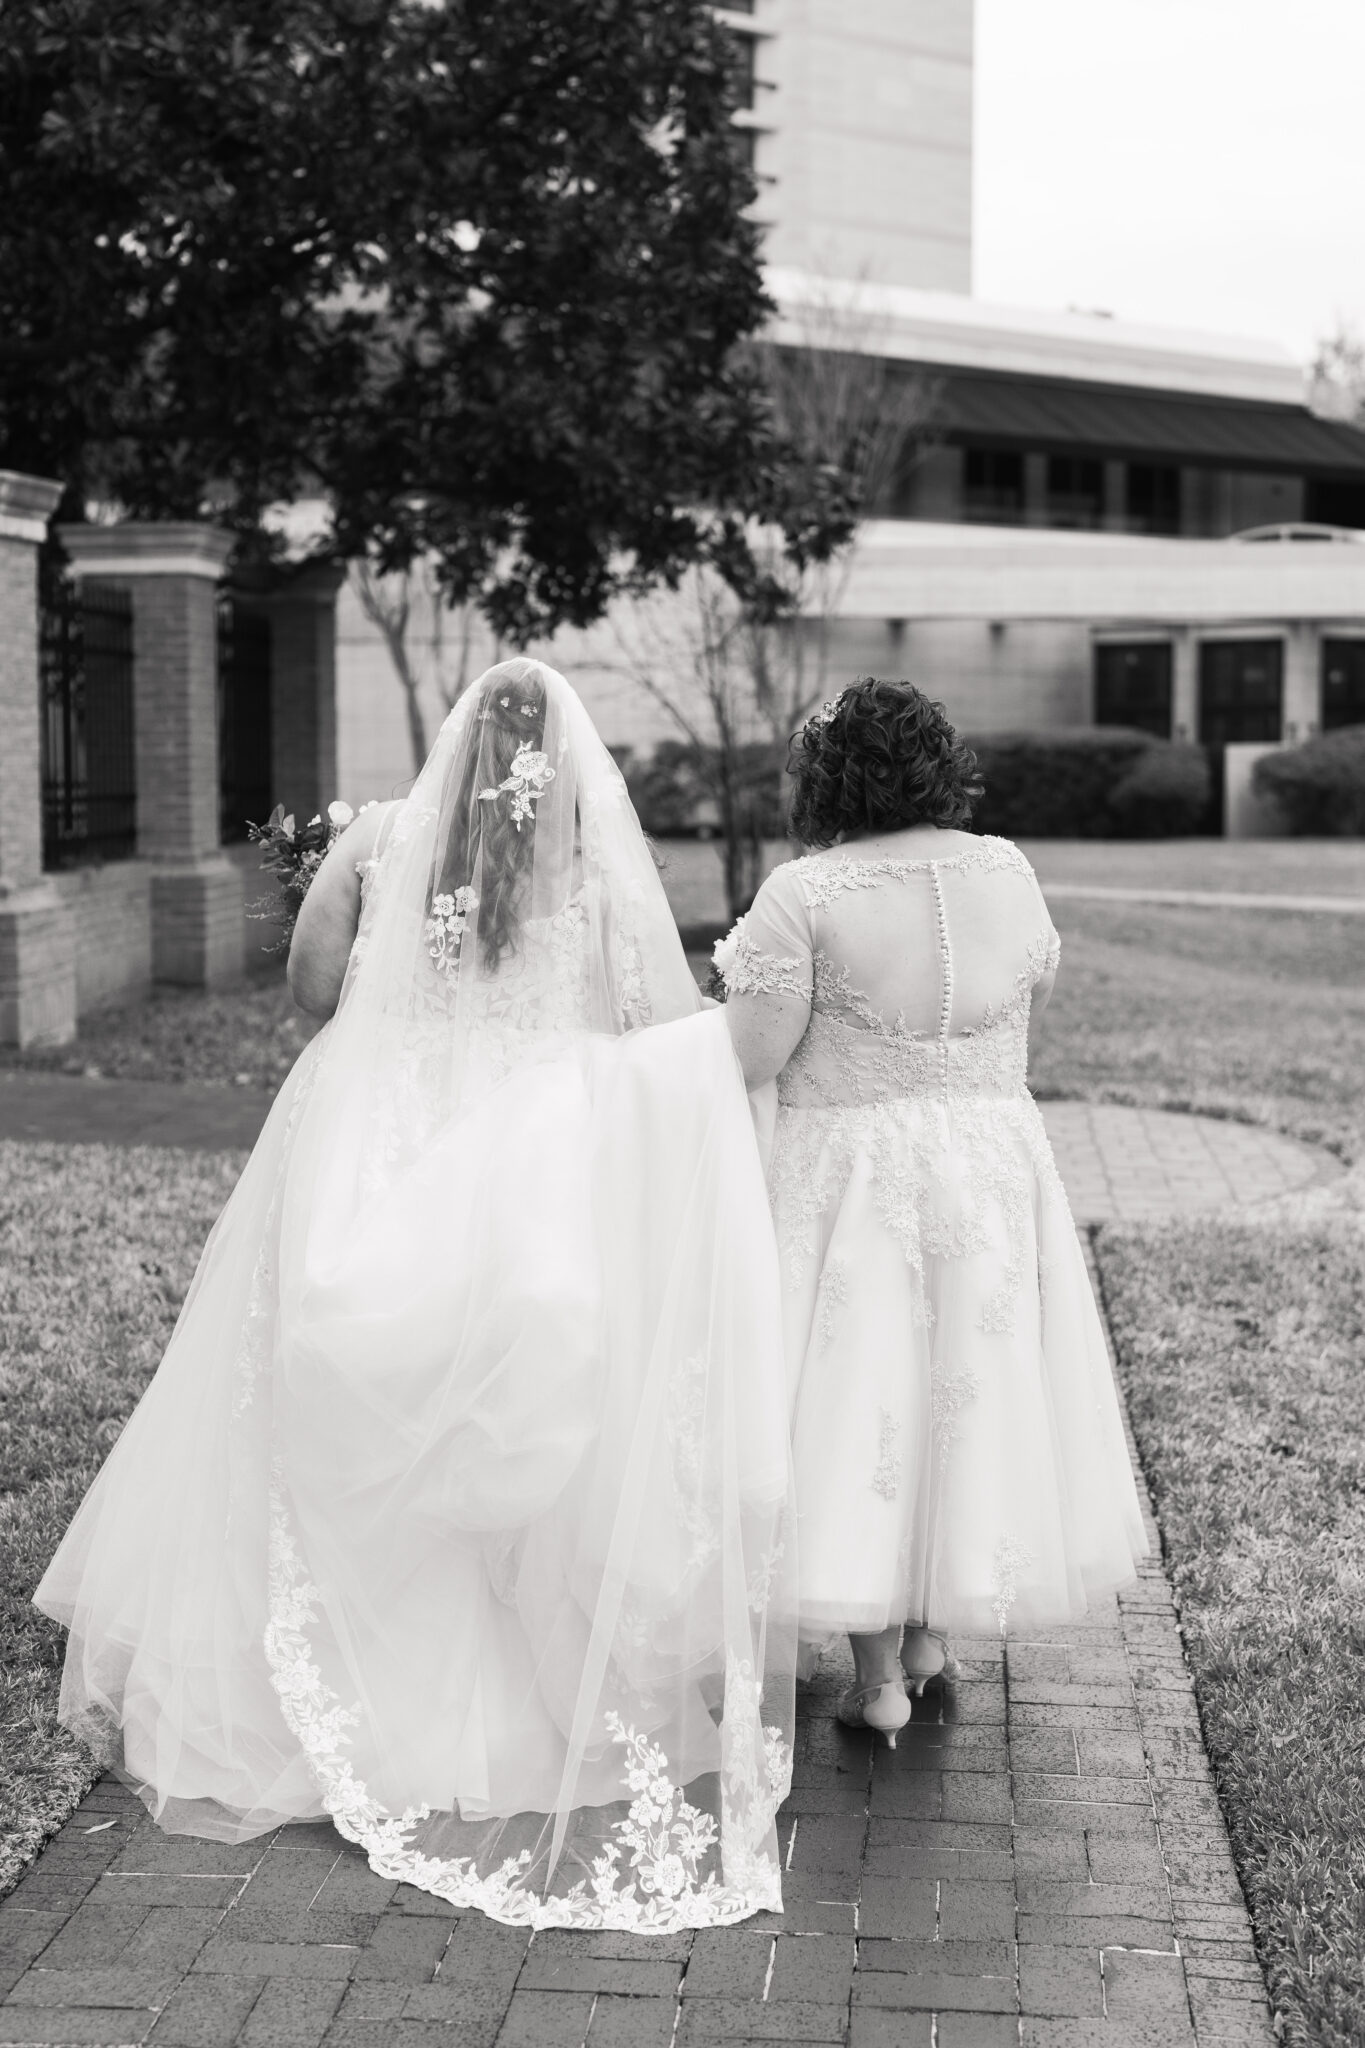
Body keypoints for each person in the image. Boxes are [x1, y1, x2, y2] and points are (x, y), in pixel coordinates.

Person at [36, 660, 797, 1932]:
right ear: (569, 762)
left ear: (453, 741)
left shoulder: (382, 839)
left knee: (322, 1395)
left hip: (373, 1139)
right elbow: (656, 1017)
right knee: (517, 1401)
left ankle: (328, 1683)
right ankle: (521, 1687)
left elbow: (312, 988)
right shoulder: (597, 868)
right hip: (536, 1162)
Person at [718, 678, 1148, 1747]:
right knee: (962, 1390)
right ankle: (926, 1638)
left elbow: (754, 1054)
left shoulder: (805, 891)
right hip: (990, 1165)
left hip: (851, 1172)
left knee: (861, 1402)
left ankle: (879, 1677)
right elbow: (1024, 1002)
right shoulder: (1007, 869)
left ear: (826, 774)